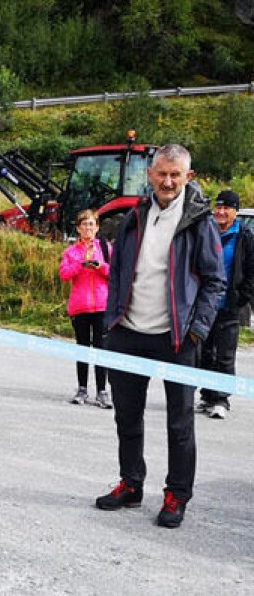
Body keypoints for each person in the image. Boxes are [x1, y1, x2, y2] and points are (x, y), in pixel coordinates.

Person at [96, 145, 224, 529]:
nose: (168, 182)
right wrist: (111, 321)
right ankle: (131, 484)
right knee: (127, 417)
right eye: (161, 174)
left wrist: (197, 331)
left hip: (176, 339)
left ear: (189, 176)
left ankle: (176, 495)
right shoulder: (134, 215)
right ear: (150, 174)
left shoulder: (199, 221)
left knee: (180, 423)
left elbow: (215, 282)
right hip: (128, 333)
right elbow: (118, 271)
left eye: (176, 175)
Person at [197, 190, 254, 420]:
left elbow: (250, 272)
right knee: (204, 352)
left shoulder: (245, 236)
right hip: (206, 304)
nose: (220, 212)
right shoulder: (207, 231)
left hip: (230, 304)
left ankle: (221, 399)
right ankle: (207, 395)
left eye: (226, 208)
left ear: (235, 212)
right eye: (218, 207)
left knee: (225, 354)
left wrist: (242, 298)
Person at [58, 209, 112, 408]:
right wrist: (81, 265)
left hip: (101, 305)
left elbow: (115, 273)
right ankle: (82, 388)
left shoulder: (105, 248)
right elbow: (64, 274)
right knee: (82, 348)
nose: (88, 228)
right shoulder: (71, 251)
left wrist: (100, 266)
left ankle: (102, 390)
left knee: (101, 349)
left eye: (91, 224)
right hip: (80, 306)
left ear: (97, 227)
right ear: (78, 228)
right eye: (84, 225)